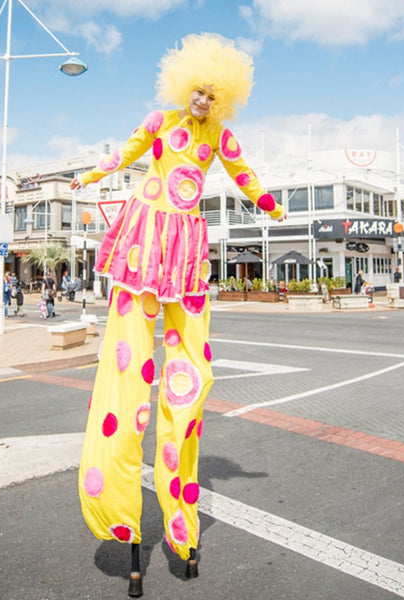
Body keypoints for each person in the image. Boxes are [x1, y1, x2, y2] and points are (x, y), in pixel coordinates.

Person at [71, 32, 285, 594]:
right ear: (183, 85)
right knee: (127, 374)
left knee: (189, 381)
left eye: (214, 94)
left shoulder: (221, 136)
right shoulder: (160, 121)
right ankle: (116, 504)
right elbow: (124, 153)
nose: (203, 100)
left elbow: (246, 178)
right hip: (145, 241)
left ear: (224, 99)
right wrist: (92, 176)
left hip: (187, 251)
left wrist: (268, 202)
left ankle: (181, 522)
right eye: (198, 89)